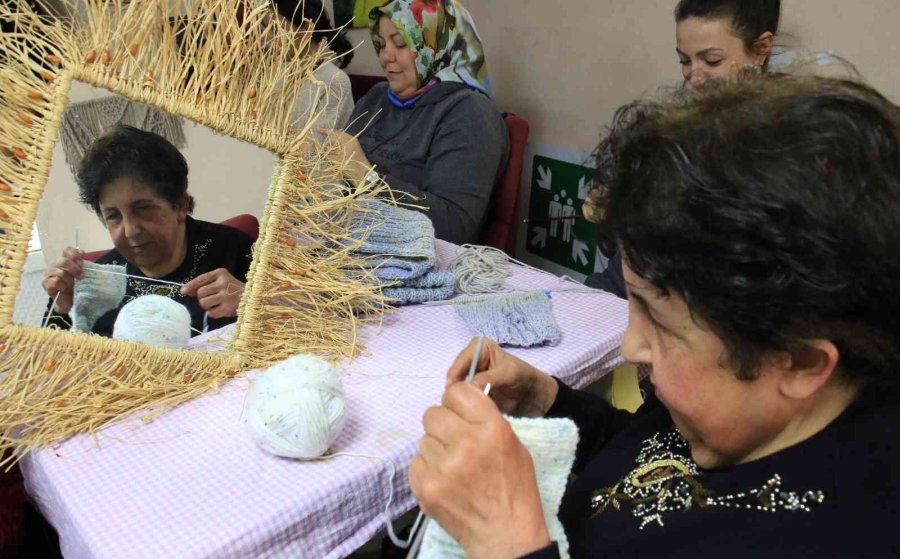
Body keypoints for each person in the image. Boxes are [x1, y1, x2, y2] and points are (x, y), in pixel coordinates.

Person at [408, 75, 900, 557]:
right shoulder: (728, 417)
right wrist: (548, 400)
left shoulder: (839, 533)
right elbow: (648, 458)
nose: (629, 348)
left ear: (797, 362)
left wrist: (509, 543)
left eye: (658, 321)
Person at [586, 0, 781, 298]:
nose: (695, 78)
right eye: (685, 61)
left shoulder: (788, 149)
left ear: (761, 49)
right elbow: (622, 273)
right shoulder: (676, 135)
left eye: (712, 61)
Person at [321, 0, 509, 245]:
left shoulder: (470, 113)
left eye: (400, 43)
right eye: (381, 44)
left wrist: (367, 178)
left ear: (436, 44)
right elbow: (336, 176)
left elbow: (453, 229)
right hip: (347, 241)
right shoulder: (377, 97)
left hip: (415, 262)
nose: (385, 56)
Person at [42, 126, 254, 337]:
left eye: (143, 209)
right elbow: (50, 362)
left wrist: (252, 302)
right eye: (114, 216)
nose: (130, 231)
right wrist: (63, 310)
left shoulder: (239, 253)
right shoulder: (92, 288)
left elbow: (284, 327)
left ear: (180, 205)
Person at [272, 0, 355, 131]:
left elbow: (312, 147)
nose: (270, 40)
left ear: (307, 28)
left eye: (275, 30)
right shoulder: (279, 74)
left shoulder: (335, 82)